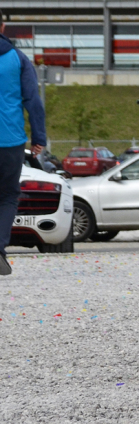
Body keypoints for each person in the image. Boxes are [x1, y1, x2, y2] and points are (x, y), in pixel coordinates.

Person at [0, 17, 48, 275]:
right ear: (2, 28)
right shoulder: (18, 59)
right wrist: (39, 137)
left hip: (10, 139)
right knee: (7, 196)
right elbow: (34, 101)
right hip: (9, 140)